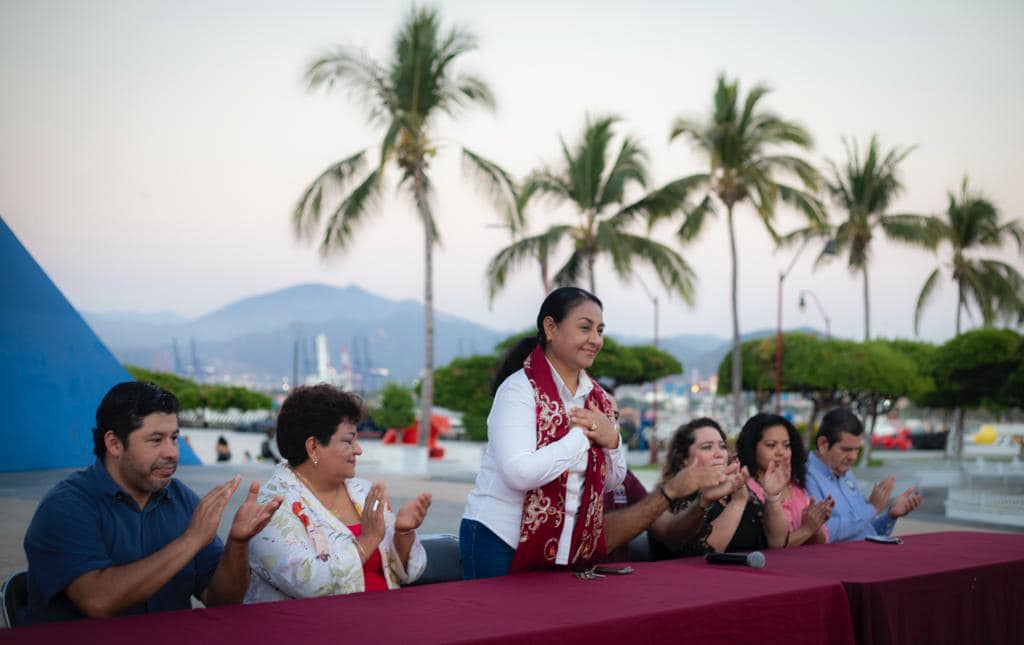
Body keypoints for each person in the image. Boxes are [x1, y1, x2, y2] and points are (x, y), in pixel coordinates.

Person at [22, 381, 282, 623]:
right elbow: (98, 601)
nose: (171, 452)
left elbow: (221, 600)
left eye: (174, 438)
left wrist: (238, 543)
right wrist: (191, 540)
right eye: (156, 440)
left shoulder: (181, 500)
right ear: (114, 444)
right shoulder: (66, 507)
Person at [460, 287, 626, 578]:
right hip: (499, 540)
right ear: (551, 327)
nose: (595, 339)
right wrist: (583, 436)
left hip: (564, 549)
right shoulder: (518, 390)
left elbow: (611, 481)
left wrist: (611, 440)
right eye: (585, 328)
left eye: (600, 330)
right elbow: (519, 473)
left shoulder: (597, 399)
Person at [245, 384, 431, 601]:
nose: (358, 450)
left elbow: (409, 573)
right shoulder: (272, 506)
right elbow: (308, 584)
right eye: (348, 441)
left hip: (386, 614)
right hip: (313, 622)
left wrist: (403, 533)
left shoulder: (364, 491)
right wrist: (368, 539)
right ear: (313, 447)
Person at [648, 418, 788, 558]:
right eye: (707, 447)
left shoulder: (736, 490)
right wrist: (737, 503)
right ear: (683, 459)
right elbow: (699, 555)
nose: (719, 454)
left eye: (722, 446)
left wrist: (772, 497)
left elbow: (778, 543)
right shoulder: (672, 499)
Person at [805, 407, 922, 542]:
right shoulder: (806, 477)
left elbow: (867, 532)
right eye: (846, 449)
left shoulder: (845, 473)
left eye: (857, 450)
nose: (853, 457)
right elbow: (825, 533)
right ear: (823, 444)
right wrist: (872, 508)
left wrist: (890, 516)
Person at [735, 413, 833, 547]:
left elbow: (822, 542)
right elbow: (773, 547)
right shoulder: (745, 490)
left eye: (786, 445)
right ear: (752, 448)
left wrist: (815, 523)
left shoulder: (796, 487)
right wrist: (807, 530)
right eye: (771, 445)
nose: (781, 452)